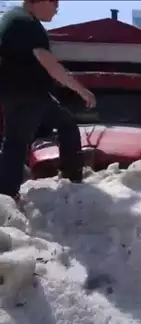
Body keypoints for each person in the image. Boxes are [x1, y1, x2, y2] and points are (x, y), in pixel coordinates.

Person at [0, 0, 96, 202]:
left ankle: (71, 179)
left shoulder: (14, 19)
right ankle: (6, 197)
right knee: (16, 143)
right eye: (54, 3)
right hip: (25, 95)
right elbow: (48, 62)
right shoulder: (26, 23)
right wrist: (80, 89)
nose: (57, 9)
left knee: (67, 124)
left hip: (31, 94)